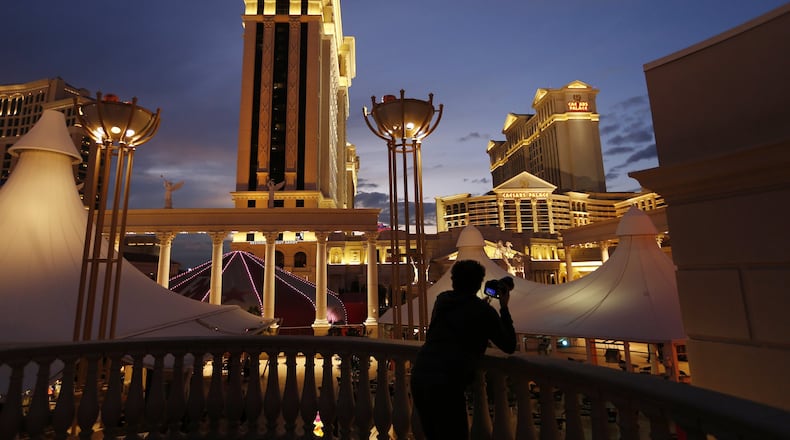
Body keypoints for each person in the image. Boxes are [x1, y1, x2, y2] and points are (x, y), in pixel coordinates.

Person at [410, 260, 516, 440]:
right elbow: (509, 345)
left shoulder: (442, 300)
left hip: (421, 374)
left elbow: (459, 315)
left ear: (453, 281)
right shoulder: (483, 311)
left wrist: (480, 306)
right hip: (447, 383)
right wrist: (504, 307)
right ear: (479, 283)